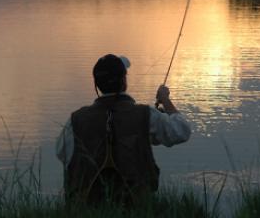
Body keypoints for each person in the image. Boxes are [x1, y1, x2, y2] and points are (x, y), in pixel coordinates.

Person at [56, 53, 191, 204]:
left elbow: (62, 154)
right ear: (124, 81)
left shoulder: (76, 120)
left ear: (97, 84)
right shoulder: (146, 115)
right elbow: (182, 131)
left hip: (87, 206)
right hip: (136, 205)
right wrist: (165, 99)